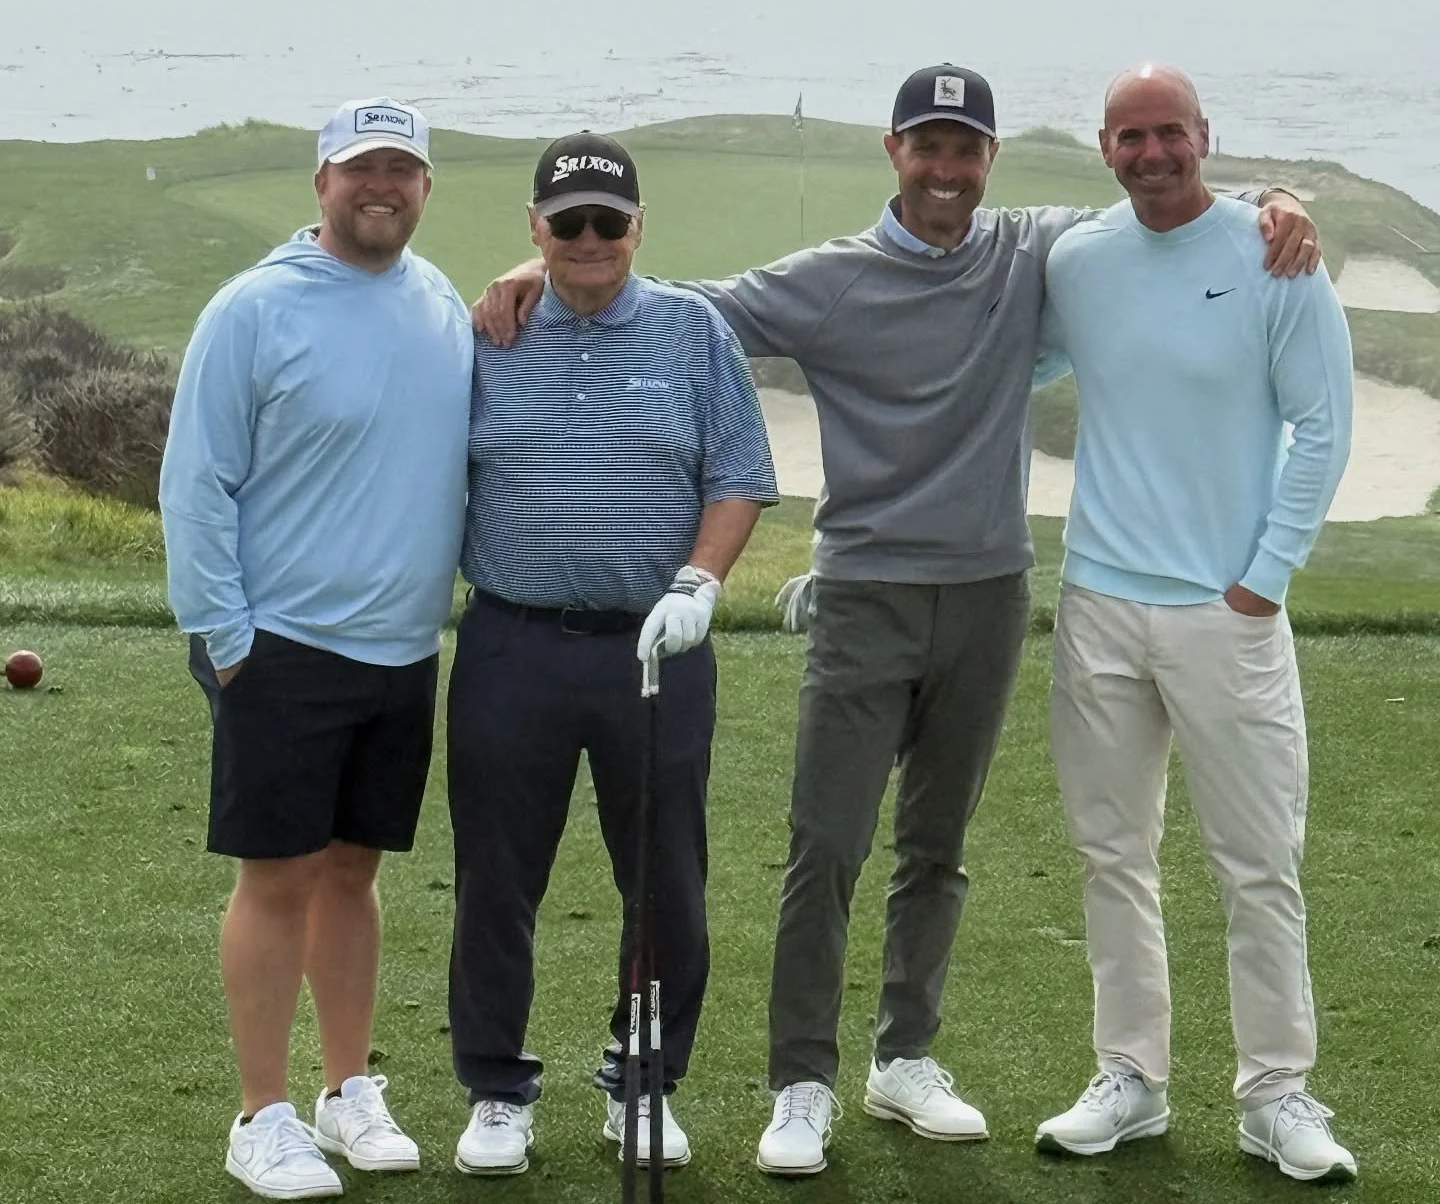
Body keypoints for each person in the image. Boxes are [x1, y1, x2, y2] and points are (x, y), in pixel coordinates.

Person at [474, 66, 1320, 1176]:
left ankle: (904, 1056)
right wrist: (544, 262)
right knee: (826, 845)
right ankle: (802, 1082)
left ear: (989, 160)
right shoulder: (830, 281)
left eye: (965, 149)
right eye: (928, 146)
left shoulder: (1032, 253)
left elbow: (1162, 196)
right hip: (866, 591)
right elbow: (677, 306)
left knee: (938, 847)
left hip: (985, 593)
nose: (946, 169)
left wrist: (1278, 195)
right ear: (893, 152)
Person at [1033, 64, 1357, 1183]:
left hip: (1228, 613)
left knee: (1259, 864)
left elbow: (1322, 427)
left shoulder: (1275, 254)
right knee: (1111, 855)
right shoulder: (1079, 262)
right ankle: (1132, 1078)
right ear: (1106, 150)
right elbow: (1006, 357)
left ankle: (1278, 1093)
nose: (1152, 153)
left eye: (1169, 132)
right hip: (1099, 607)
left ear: (1204, 138)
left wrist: (1264, 580)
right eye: (1130, 136)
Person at [447, 132, 778, 1178]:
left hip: (656, 645)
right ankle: (497, 1089)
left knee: (665, 876)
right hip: (512, 641)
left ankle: (643, 1083)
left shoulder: (692, 331)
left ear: (638, 228)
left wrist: (699, 585)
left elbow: (738, 473)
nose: (589, 241)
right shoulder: (488, 337)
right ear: (535, 229)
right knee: (497, 876)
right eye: (567, 223)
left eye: (608, 223)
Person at [160, 98, 473, 1199]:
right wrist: (227, 639)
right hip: (282, 644)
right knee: (279, 875)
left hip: (401, 653)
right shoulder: (254, 308)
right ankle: (265, 1113)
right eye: (359, 169)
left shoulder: (439, 301)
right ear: (322, 183)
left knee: (354, 869)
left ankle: (347, 1092)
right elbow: (196, 482)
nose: (380, 187)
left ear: (426, 188)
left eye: (401, 169)